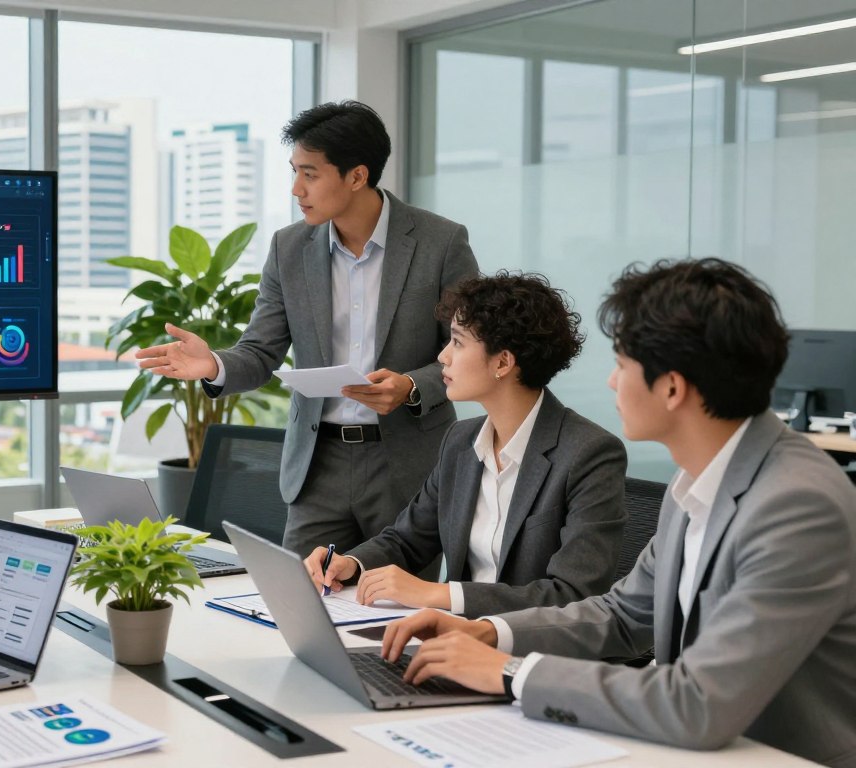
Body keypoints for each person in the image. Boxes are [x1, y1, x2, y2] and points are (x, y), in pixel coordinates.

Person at [377, 259, 856, 767]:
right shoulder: (694, 482)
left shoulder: (797, 506)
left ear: (672, 388)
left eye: (622, 365)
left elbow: (699, 703)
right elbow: (623, 615)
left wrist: (510, 673)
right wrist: (490, 633)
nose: (610, 383)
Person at [136, 100, 479, 556]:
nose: (297, 189)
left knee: (395, 616)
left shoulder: (441, 242)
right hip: (318, 466)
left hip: (406, 466)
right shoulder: (288, 248)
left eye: (310, 174)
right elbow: (260, 352)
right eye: (294, 171)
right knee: (298, 604)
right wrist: (213, 364)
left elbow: (472, 347)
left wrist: (412, 386)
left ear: (357, 176)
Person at [304, 273, 627, 617]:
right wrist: (350, 563)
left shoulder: (589, 454)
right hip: (456, 638)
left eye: (457, 342)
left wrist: (440, 595)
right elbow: (408, 538)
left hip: (534, 653)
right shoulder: (461, 440)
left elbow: (573, 595)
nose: (443, 356)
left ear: (502, 362)